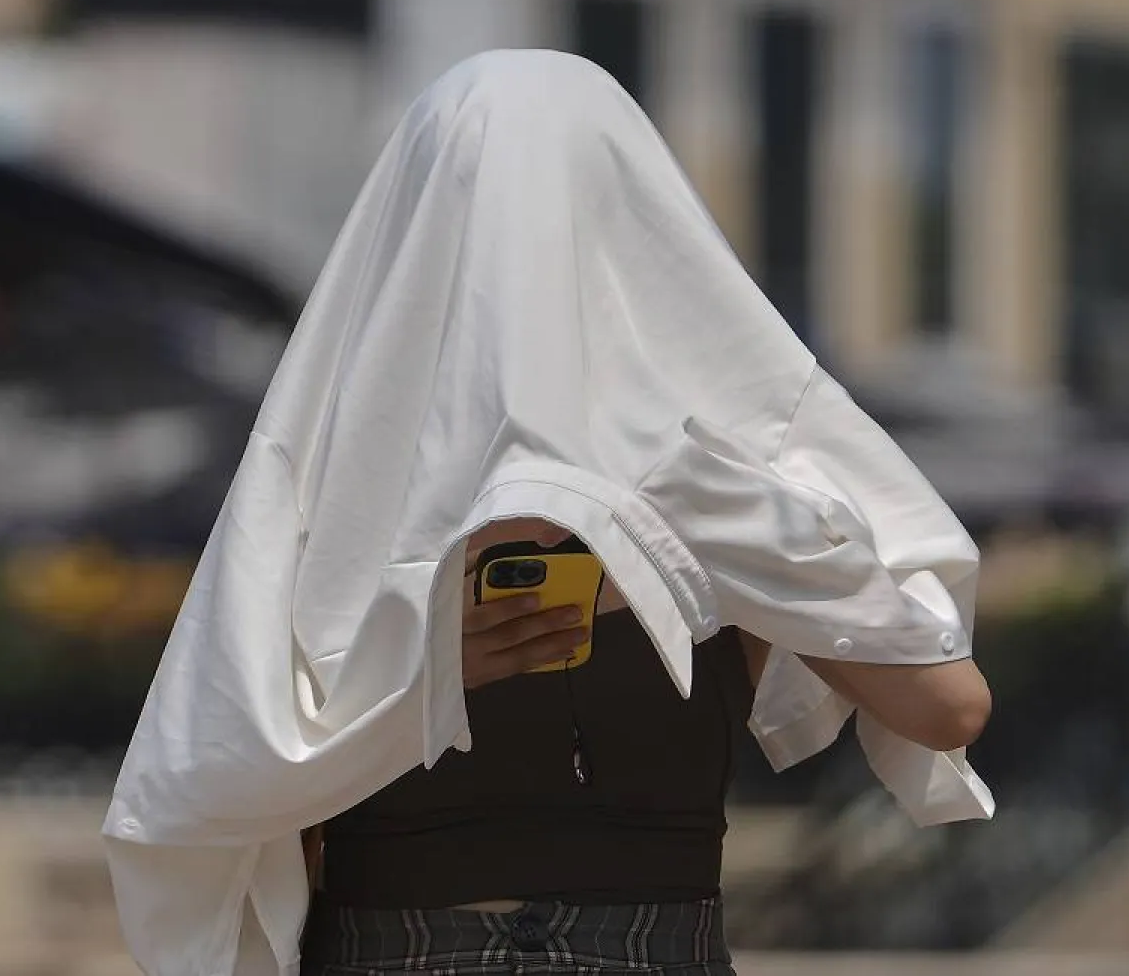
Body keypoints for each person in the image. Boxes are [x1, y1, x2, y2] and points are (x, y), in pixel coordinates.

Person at [104, 51, 993, 976]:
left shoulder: (738, 454)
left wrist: (718, 529)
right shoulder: (341, 459)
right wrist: (412, 687)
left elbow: (949, 705)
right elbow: (207, 793)